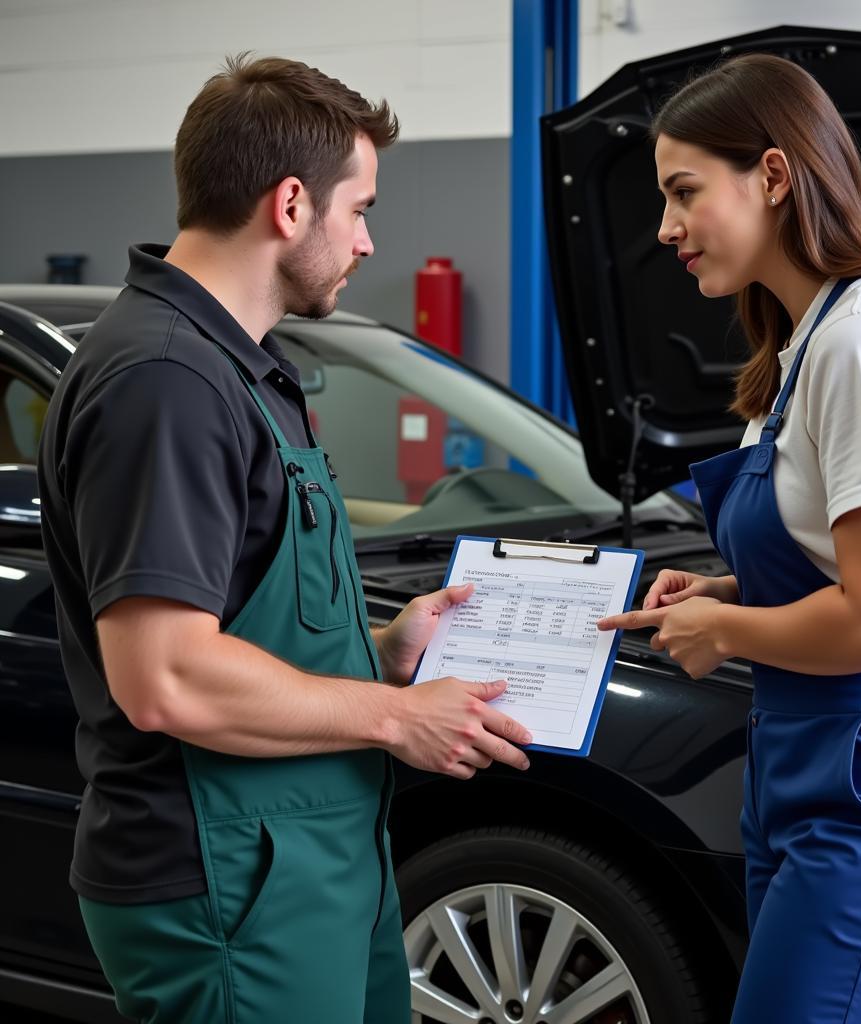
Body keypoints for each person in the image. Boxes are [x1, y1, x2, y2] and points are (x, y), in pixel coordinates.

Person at [37, 54, 532, 1024]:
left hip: (312, 857)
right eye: (361, 209)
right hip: (228, 879)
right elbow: (164, 677)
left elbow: (242, 613)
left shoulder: (244, 368)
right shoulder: (165, 381)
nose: (365, 240)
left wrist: (379, 657)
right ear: (292, 204)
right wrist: (395, 718)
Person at [598, 54, 861, 1024]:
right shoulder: (801, 348)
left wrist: (726, 637)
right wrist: (723, 595)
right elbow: (837, 562)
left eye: (683, 191)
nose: (664, 229)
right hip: (811, 757)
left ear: (774, 178)